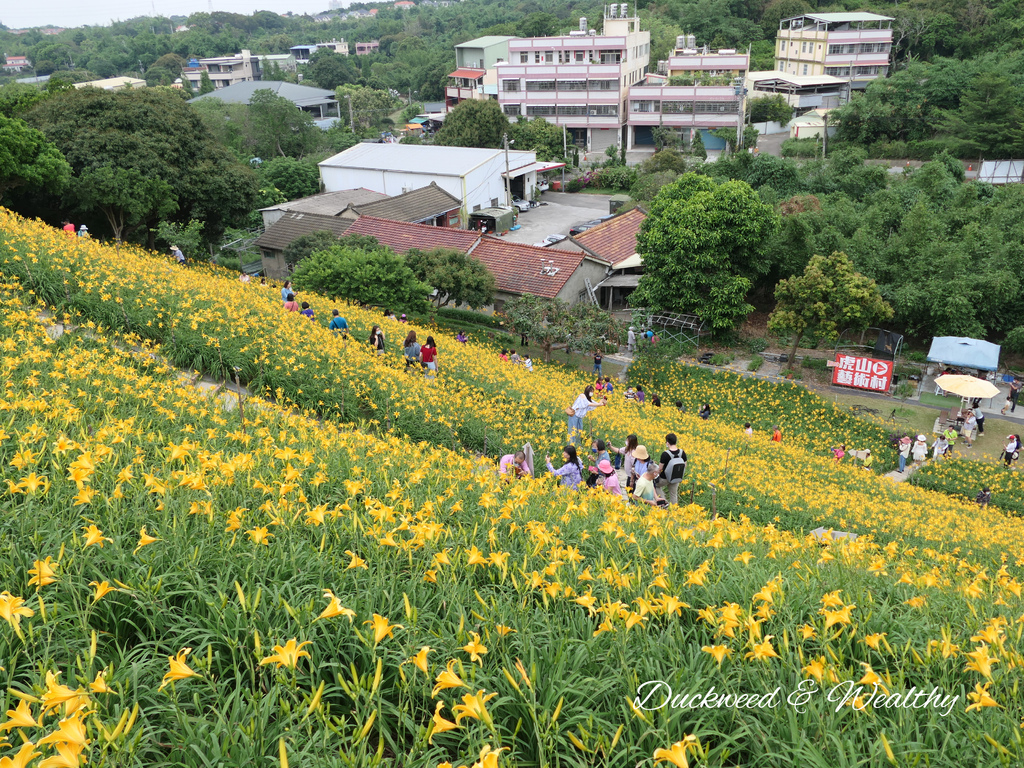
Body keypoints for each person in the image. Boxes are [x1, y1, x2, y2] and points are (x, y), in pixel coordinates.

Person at [656, 434, 687, 505]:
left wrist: (657, 475)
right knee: (673, 494)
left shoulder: (665, 454)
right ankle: (674, 510)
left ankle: (664, 502)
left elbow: (660, 468)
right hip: (676, 477)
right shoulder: (682, 453)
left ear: (667, 443)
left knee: (656, 486)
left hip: (664, 478)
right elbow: (684, 465)